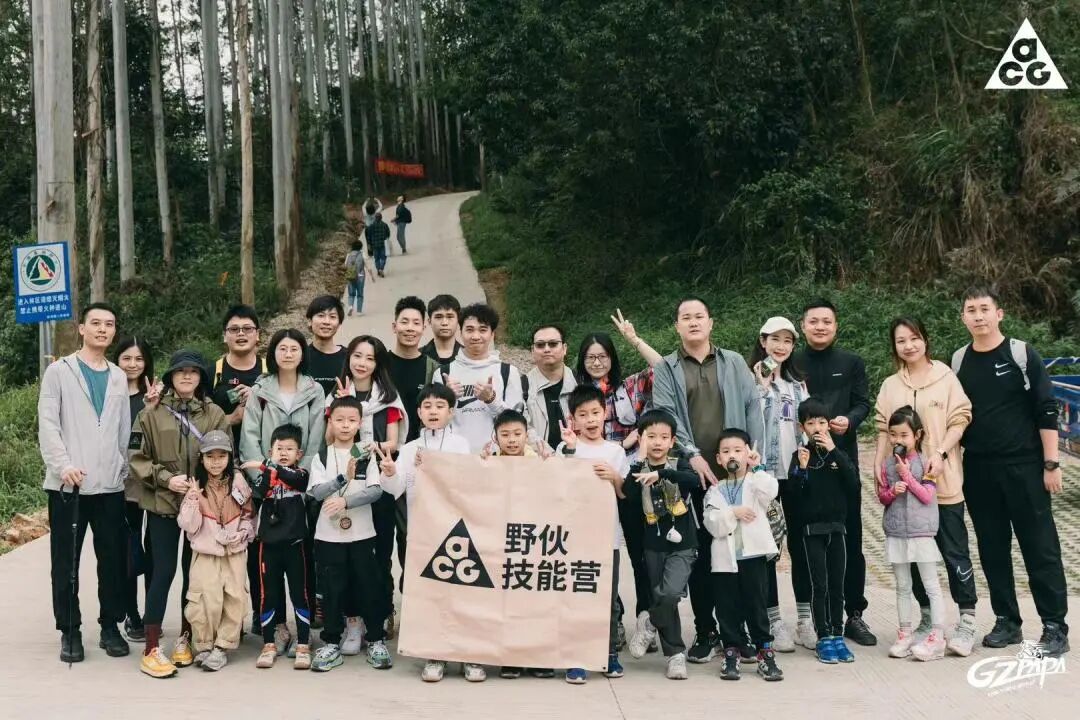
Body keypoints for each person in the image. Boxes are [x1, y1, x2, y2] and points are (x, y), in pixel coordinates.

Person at [952, 286, 1068, 657]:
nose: (978, 316)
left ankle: (1054, 626)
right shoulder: (959, 361)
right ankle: (1007, 621)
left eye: (984, 308)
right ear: (963, 317)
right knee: (992, 548)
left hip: (1025, 466)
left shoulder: (1021, 354)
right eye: (971, 309)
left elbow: (1046, 409)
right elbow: (956, 417)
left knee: (1040, 547)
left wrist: (1051, 463)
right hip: (979, 469)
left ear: (999, 314)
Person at [651, 297, 763, 664]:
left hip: (734, 474)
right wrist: (692, 454)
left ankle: (738, 632)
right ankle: (705, 630)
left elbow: (752, 407)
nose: (693, 322)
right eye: (686, 317)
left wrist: (752, 455)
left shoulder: (733, 362)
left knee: (736, 554)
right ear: (677, 325)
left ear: (711, 322)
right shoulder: (667, 368)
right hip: (692, 475)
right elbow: (666, 414)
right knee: (699, 556)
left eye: (699, 316)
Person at [873, 317, 976, 656]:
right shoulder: (890, 385)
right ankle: (928, 621)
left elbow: (961, 418)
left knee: (954, 552)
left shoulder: (945, 377)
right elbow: (882, 429)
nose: (909, 346)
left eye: (914, 338)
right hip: (906, 495)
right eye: (901, 340)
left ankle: (967, 621)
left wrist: (942, 453)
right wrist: (878, 462)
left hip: (941, 484)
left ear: (925, 340)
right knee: (913, 557)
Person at [38, 302, 131, 664]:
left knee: (113, 560)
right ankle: (70, 630)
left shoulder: (118, 376)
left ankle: (110, 626)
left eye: (109, 324)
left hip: (109, 486)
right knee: (66, 562)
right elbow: (48, 423)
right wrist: (62, 465)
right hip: (69, 486)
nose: (103, 329)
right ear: (81, 328)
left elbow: (122, 428)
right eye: (96, 323)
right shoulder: (59, 371)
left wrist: (121, 466)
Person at [130, 349, 229, 678]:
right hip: (163, 506)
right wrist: (165, 479)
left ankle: (186, 637)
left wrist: (203, 487)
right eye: (180, 371)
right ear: (170, 377)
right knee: (163, 572)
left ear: (201, 377)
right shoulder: (151, 413)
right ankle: (151, 647)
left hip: (201, 508)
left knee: (194, 575)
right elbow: (136, 456)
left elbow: (224, 456)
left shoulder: (214, 414)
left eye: (193, 371)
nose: (187, 376)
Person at [575, 315, 662, 650]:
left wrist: (634, 340)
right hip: (591, 484)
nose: (597, 362)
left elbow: (663, 369)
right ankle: (613, 620)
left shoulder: (630, 387)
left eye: (603, 356)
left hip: (630, 478)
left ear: (612, 358)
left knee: (640, 554)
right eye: (590, 357)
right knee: (597, 555)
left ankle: (645, 622)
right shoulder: (576, 393)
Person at [240, 329, 326, 657]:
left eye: (294, 349)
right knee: (267, 563)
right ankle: (275, 628)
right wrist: (263, 477)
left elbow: (316, 438)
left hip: (300, 489)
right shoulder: (261, 391)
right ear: (273, 353)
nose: (288, 354)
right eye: (282, 348)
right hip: (267, 488)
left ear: (302, 354)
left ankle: (304, 633)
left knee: (302, 559)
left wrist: (298, 478)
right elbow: (250, 436)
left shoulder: (314, 390)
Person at [379, 383, 473, 683]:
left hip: (455, 530)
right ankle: (435, 654)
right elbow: (396, 489)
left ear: (451, 412)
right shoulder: (409, 449)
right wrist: (390, 473)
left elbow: (467, 484)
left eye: (440, 406)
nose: (433, 412)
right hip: (421, 530)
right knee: (428, 593)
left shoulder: (461, 445)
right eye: (427, 406)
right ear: (418, 412)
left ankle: (465, 654)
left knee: (459, 592)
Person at [795, 299, 875, 647]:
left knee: (851, 540)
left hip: (843, 462)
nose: (820, 326)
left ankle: (853, 614)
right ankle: (810, 618)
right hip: (804, 465)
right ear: (803, 326)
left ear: (836, 325)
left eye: (827, 321)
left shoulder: (851, 362)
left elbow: (863, 402)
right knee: (805, 542)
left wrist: (850, 420)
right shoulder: (793, 362)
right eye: (813, 321)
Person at [307, 397, 391, 672]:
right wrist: (342, 479)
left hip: (362, 533)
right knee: (332, 590)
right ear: (330, 422)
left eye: (352, 420)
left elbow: (375, 491)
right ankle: (331, 642)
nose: (345, 425)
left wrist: (346, 502)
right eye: (340, 420)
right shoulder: (321, 456)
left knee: (368, 586)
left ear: (360, 423)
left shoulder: (366, 453)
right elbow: (316, 493)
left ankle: (376, 638)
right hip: (329, 535)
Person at [332, 333, 408, 638]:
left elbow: (393, 442)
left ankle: (383, 611)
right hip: (346, 482)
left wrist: (366, 446)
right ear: (348, 357)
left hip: (379, 484)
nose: (362, 363)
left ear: (378, 364)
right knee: (351, 552)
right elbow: (329, 438)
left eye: (370, 358)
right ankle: (354, 618)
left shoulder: (388, 398)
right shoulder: (337, 393)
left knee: (380, 551)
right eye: (357, 355)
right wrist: (342, 404)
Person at [554, 385, 631, 684]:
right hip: (574, 539)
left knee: (607, 600)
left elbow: (624, 494)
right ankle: (576, 656)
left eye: (595, 413)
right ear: (572, 419)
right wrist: (570, 449)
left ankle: (608, 653)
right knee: (576, 598)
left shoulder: (615, 451)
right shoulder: (566, 448)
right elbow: (559, 485)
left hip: (606, 537)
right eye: (582, 414)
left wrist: (615, 477)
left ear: (605, 413)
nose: (590, 419)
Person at [702, 429, 783, 681]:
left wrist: (757, 467)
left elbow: (771, 491)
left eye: (738, 450)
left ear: (747, 454)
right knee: (727, 608)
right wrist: (733, 513)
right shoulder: (715, 491)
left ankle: (765, 653)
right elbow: (712, 522)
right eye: (726, 452)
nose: (732, 456)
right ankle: (731, 653)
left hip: (753, 557)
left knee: (757, 606)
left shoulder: (755, 482)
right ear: (718, 459)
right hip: (724, 562)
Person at [624, 410, 699, 680]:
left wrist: (664, 473)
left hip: (683, 544)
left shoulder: (680, 464)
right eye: (651, 436)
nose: (657, 442)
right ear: (641, 439)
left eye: (664, 437)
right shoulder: (637, 467)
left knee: (670, 593)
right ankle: (675, 655)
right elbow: (628, 494)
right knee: (661, 598)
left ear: (672, 441)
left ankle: (649, 622)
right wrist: (640, 460)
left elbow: (694, 482)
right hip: (653, 545)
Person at [786, 398, 859, 665]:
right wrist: (802, 469)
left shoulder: (838, 453)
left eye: (821, 422)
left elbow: (853, 484)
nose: (816, 428)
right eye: (810, 423)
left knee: (837, 584)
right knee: (820, 585)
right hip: (811, 530)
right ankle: (823, 636)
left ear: (828, 425)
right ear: (802, 427)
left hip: (837, 528)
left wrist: (834, 451)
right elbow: (794, 496)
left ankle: (838, 634)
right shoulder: (799, 456)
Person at [749, 316, 807, 653]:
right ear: (763, 341)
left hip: (795, 474)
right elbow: (748, 421)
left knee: (801, 545)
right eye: (775, 339)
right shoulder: (750, 380)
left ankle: (805, 619)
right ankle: (773, 621)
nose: (781, 346)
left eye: (787, 340)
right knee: (769, 548)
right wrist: (761, 385)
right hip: (764, 477)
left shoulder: (798, 385)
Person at [176, 430, 255, 673]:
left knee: (234, 598)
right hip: (205, 552)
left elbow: (249, 515)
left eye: (222, 456)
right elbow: (188, 525)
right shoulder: (196, 486)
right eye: (210, 456)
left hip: (234, 553)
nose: (216, 462)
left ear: (230, 458)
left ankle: (222, 647)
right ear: (202, 459)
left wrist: (242, 533)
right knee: (203, 600)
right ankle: (204, 645)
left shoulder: (238, 482)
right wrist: (192, 500)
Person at [209, 304, 267, 634]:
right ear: (225, 336)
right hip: (222, 471)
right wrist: (233, 418)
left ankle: (262, 613)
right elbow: (201, 423)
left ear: (258, 335)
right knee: (223, 545)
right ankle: (228, 618)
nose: (241, 334)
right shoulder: (213, 372)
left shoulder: (270, 369)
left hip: (260, 470)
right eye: (234, 329)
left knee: (259, 545)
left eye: (247, 328)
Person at [877, 407, 946, 662]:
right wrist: (891, 491)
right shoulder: (887, 464)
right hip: (896, 531)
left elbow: (927, 496)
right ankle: (904, 634)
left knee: (931, 585)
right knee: (903, 586)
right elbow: (882, 497)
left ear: (917, 435)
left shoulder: (927, 462)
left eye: (904, 435)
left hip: (922, 532)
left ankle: (937, 637)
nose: (898, 440)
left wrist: (907, 475)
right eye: (893, 434)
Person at [244, 425, 314, 669]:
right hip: (269, 546)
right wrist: (268, 470)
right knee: (269, 595)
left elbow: (298, 482)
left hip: (295, 546)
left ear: (299, 453)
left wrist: (269, 465)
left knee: (299, 594)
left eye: (289, 449)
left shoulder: (301, 473)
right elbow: (260, 491)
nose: (284, 453)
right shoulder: (266, 474)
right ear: (270, 451)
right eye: (279, 449)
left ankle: (303, 644)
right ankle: (268, 644)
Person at [434, 303, 526, 453]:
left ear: (492, 334)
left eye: (483, 330)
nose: (476, 336)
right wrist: (449, 399)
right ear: (460, 332)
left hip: (496, 457)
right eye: (469, 330)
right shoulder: (443, 373)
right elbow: (434, 422)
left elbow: (517, 423)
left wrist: (491, 399)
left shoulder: (508, 372)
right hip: (455, 456)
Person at [114, 335, 159, 643]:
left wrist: (152, 407)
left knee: (154, 550)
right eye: (127, 358)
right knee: (130, 551)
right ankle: (132, 614)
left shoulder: (155, 395)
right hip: (121, 485)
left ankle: (153, 614)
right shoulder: (109, 393)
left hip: (152, 482)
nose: (133, 364)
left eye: (139, 359)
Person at [388, 296, 441, 445]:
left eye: (416, 323)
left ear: (423, 328)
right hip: (384, 449)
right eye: (404, 322)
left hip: (420, 448)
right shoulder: (380, 364)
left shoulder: (433, 369)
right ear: (394, 327)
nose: (410, 328)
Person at [524, 324, 573, 454]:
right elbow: (522, 427)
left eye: (553, 344)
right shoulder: (523, 385)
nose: (546, 349)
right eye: (540, 345)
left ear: (564, 348)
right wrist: (551, 455)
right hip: (539, 460)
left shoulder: (580, 383)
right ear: (532, 350)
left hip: (577, 459)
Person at [305, 295, 347, 398]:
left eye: (332, 317)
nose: (326, 322)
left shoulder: (349, 357)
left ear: (339, 324)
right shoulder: (300, 356)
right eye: (321, 315)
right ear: (309, 321)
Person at [422, 294, 464, 362]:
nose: (444, 323)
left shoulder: (468, 355)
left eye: (450, 317)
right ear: (429, 321)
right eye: (438, 317)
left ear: (458, 320)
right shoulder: (418, 355)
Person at [344, 239, 376, 317]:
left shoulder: (349, 255)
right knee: (360, 293)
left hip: (350, 275)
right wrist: (372, 276)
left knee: (351, 293)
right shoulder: (362, 254)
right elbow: (368, 266)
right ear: (360, 247)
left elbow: (345, 265)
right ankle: (359, 311)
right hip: (360, 275)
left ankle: (350, 306)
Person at [366, 212, 391, 277]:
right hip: (383, 244)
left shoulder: (371, 226)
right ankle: (381, 269)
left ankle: (378, 269)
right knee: (383, 258)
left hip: (374, 245)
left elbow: (368, 236)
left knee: (376, 259)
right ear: (381, 218)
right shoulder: (384, 225)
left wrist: (369, 244)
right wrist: (385, 238)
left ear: (375, 218)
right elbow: (388, 234)